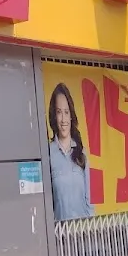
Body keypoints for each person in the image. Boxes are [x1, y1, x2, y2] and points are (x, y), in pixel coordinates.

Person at [47, 83, 94, 221]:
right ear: (54, 116)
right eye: (59, 112)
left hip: (85, 232)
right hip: (60, 233)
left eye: (66, 112)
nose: (63, 119)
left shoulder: (81, 153)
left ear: (71, 115)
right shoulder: (48, 155)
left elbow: (89, 202)